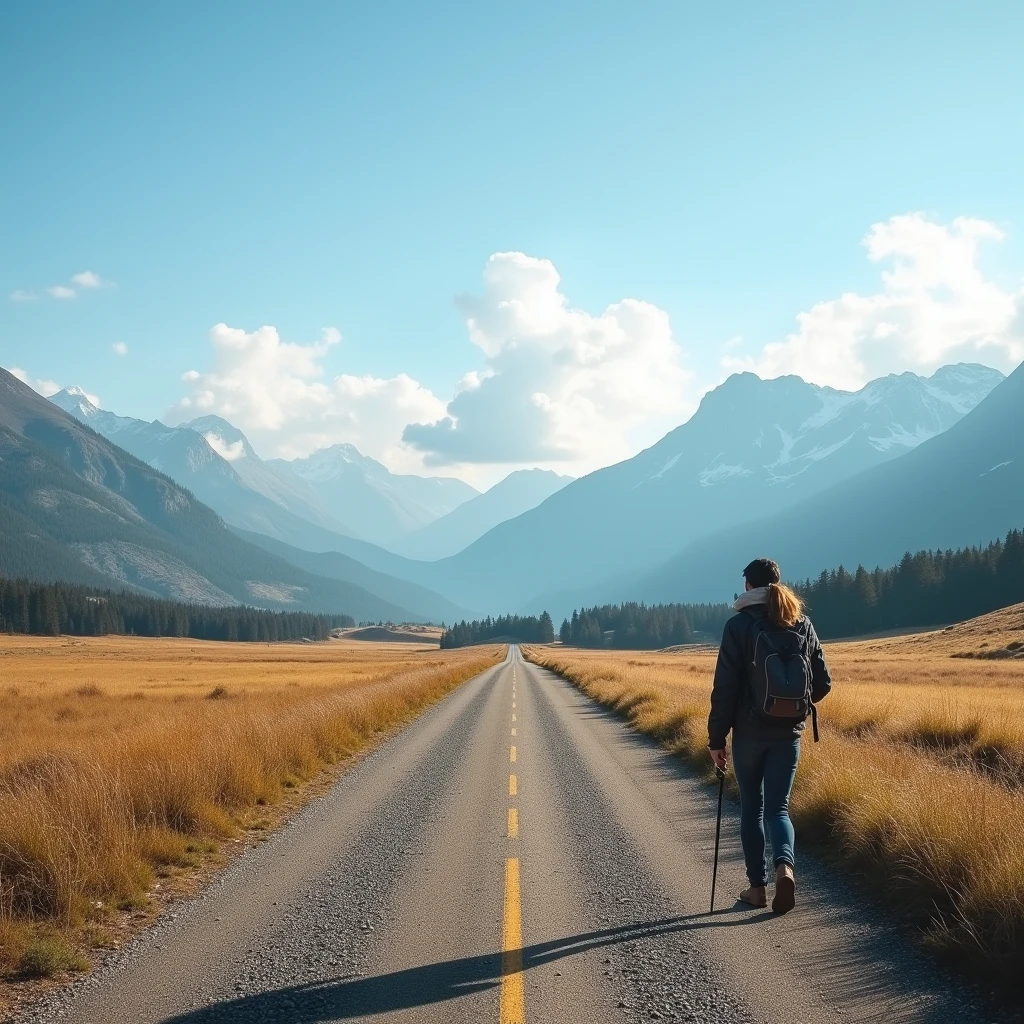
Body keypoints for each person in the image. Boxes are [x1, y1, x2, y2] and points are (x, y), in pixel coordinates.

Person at [707, 558, 832, 914]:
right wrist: (792, 708)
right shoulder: (802, 623)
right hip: (788, 734)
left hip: (748, 734)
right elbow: (822, 683)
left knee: (752, 808)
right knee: (778, 809)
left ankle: (757, 889)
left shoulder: (738, 626)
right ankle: (785, 867)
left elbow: (725, 688)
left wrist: (717, 740)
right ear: (778, 583)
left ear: (748, 586)